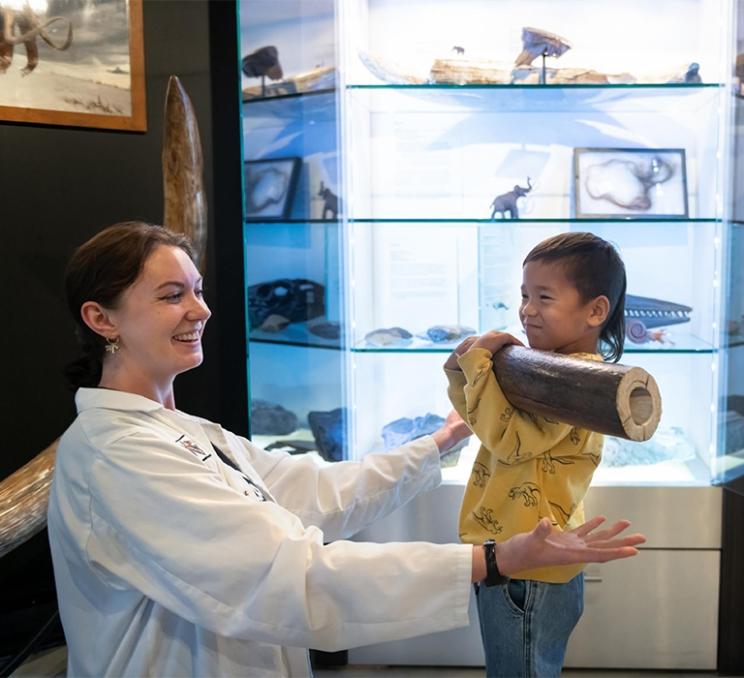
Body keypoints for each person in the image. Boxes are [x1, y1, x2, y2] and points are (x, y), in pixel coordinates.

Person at [47, 222, 644, 678]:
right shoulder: (116, 455)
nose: (201, 310)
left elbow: (311, 492)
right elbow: (287, 575)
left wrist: (443, 439)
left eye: (198, 291)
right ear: (102, 318)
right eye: (172, 295)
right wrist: (492, 561)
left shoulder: (191, 433)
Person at [444, 231, 628, 677]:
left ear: (596, 311)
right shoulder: (545, 366)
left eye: (544, 297)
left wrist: (477, 367)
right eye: (525, 295)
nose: (527, 310)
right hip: (513, 555)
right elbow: (485, 422)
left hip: (531, 567)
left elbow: (509, 440)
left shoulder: (575, 380)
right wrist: (459, 369)